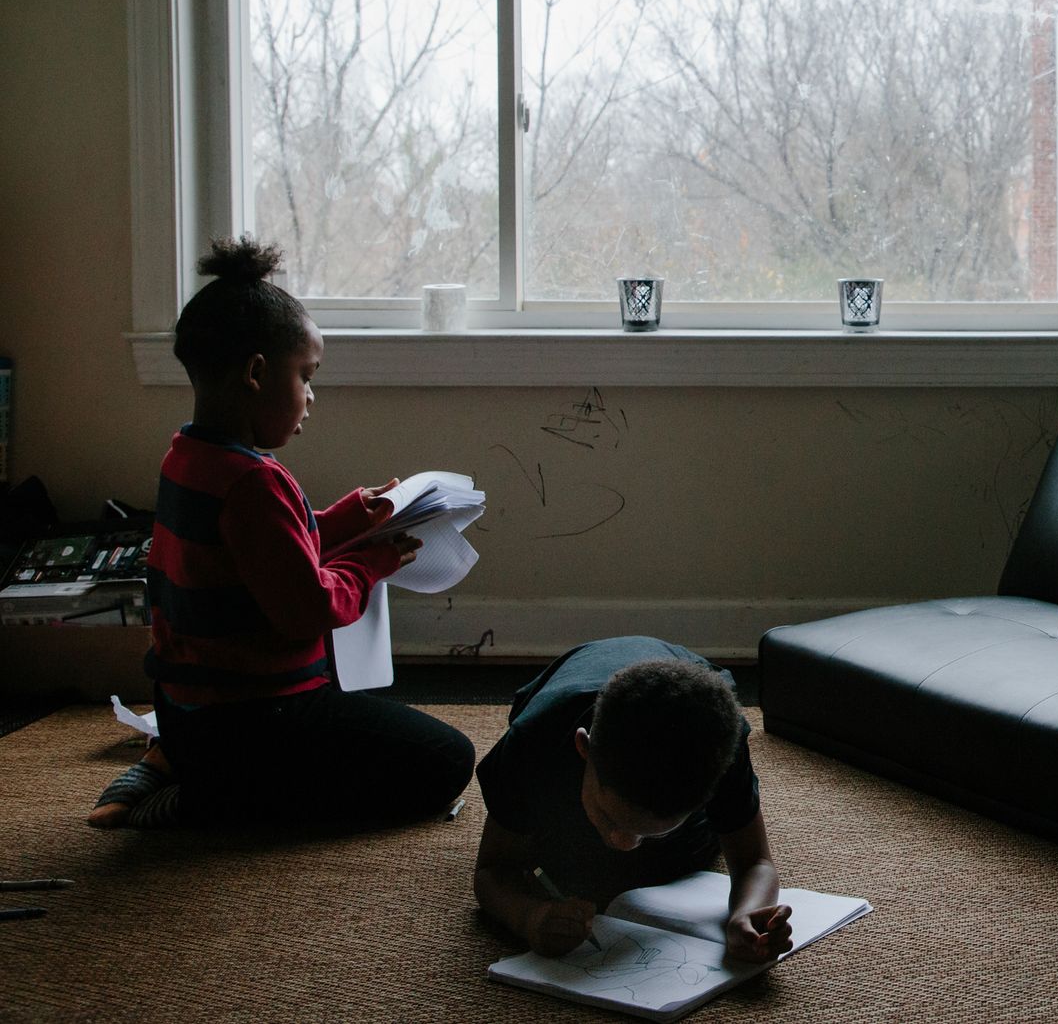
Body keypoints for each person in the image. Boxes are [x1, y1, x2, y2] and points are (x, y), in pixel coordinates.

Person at [88, 237, 475, 831]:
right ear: (256, 373)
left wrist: (352, 517)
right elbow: (307, 606)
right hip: (259, 720)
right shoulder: (254, 483)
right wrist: (371, 564)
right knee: (448, 759)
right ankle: (212, 801)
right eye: (306, 376)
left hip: (189, 710)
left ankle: (174, 759)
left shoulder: (187, 459)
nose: (310, 397)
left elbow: (265, 556)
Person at [472, 636, 794, 964]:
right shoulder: (535, 744)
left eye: (653, 831)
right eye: (610, 817)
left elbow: (755, 861)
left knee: (675, 855)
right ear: (584, 749)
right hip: (557, 750)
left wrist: (746, 914)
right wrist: (528, 917)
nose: (623, 844)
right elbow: (491, 870)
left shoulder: (717, 750)